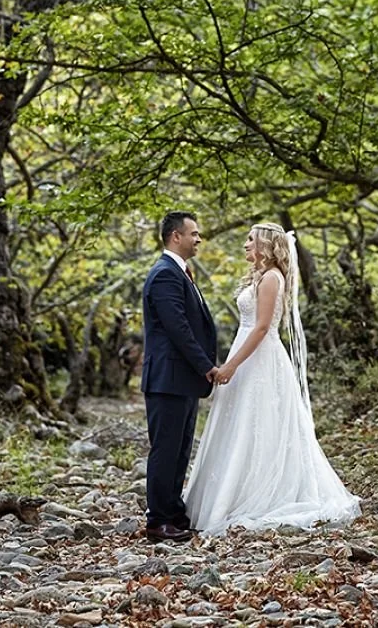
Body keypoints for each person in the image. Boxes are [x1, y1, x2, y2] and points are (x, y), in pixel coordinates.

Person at [184, 222, 360, 534]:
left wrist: (231, 366)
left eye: (250, 240)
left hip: (260, 358)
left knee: (260, 422)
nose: (245, 245)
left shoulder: (271, 278)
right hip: (248, 352)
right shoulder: (261, 276)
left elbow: (262, 328)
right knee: (240, 424)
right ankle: (228, 493)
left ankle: (257, 496)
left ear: (266, 244)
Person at [140, 211, 219, 542]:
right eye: (194, 233)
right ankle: (158, 520)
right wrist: (207, 365)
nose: (199, 239)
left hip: (181, 380)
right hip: (167, 378)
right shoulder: (165, 275)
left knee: (181, 448)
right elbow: (178, 329)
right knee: (166, 449)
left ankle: (173, 513)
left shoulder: (181, 273)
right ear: (176, 236)